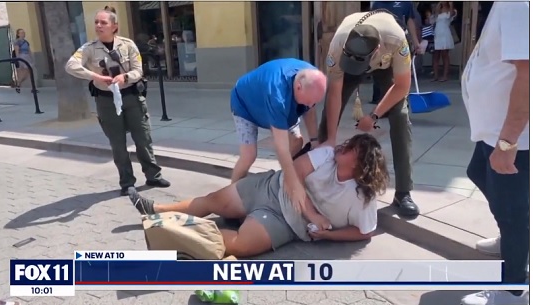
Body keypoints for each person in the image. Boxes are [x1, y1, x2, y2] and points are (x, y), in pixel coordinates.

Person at [129, 134, 389, 257]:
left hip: (286, 221)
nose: (344, 145)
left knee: (241, 246)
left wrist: (328, 235)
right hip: (271, 186)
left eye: (352, 148)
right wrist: (314, 214)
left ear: (359, 164)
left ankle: (170, 233)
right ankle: (158, 209)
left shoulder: (361, 198)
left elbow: (364, 232)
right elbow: (293, 173)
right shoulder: (327, 155)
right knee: (215, 201)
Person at [460, 2, 529, 305]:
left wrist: (508, 142)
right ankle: (513, 238)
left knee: (512, 209)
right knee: (477, 172)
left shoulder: (517, 5)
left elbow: (527, 74)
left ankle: (515, 288)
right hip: (493, 130)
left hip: (510, 135)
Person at [319, 10, 419, 216]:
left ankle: (403, 193)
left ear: (377, 50)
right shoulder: (337, 46)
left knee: (400, 116)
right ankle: (320, 176)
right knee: (327, 118)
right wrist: (330, 139)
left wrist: (373, 115)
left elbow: (402, 86)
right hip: (350, 61)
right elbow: (334, 95)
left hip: (386, 64)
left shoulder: (397, 41)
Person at [65, 6, 170, 196]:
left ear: (114, 26)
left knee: (143, 138)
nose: (98, 26)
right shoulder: (89, 48)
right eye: (96, 22)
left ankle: (153, 175)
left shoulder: (128, 45)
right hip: (106, 101)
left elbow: (139, 70)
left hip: (132, 97)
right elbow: (70, 65)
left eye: (103, 22)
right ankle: (127, 182)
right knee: (118, 143)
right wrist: (94, 76)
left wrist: (125, 77)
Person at [230, 58, 327, 212]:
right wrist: (294, 185)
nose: (309, 105)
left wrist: (315, 140)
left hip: (282, 106)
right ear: (299, 87)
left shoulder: (312, 78)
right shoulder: (277, 95)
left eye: (313, 102)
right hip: (245, 105)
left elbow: (310, 110)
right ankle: (230, 196)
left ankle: (280, 179)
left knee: (296, 141)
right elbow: (281, 147)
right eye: (308, 101)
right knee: (249, 155)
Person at [369, 1, 422, 105]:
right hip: (383, 43)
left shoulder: (405, 3)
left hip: (401, 42)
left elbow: (410, 21)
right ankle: (383, 104)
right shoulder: (377, 4)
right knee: (383, 74)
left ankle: (402, 104)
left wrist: (416, 42)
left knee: (401, 73)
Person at [431, 2, 457, 82]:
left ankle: (445, 76)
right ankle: (435, 76)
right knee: (436, 55)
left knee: (444, 55)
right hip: (437, 33)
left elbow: (451, 15)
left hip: (445, 33)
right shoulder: (438, 9)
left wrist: (451, 4)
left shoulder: (452, 10)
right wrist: (437, 7)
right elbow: (432, 20)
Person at [12, 29, 38, 94]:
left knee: (29, 73)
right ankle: (19, 84)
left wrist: (32, 58)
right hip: (22, 57)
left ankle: (19, 84)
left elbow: (29, 50)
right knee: (26, 72)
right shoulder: (17, 42)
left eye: (24, 32)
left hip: (27, 57)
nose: (23, 34)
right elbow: (17, 51)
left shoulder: (26, 42)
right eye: (21, 33)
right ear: (18, 34)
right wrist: (18, 60)